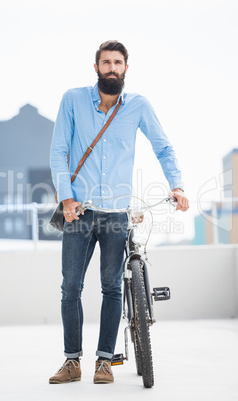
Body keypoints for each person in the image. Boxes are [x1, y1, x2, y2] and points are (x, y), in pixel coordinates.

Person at [49, 40, 189, 385]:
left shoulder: (138, 106)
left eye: (118, 63)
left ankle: (104, 361)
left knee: (111, 288)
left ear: (126, 68)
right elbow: (58, 152)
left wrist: (178, 185)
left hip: (116, 213)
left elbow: (163, 147)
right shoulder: (73, 100)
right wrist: (66, 198)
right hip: (78, 211)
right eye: (106, 62)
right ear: (95, 67)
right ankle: (71, 361)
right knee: (71, 287)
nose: (112, 68)